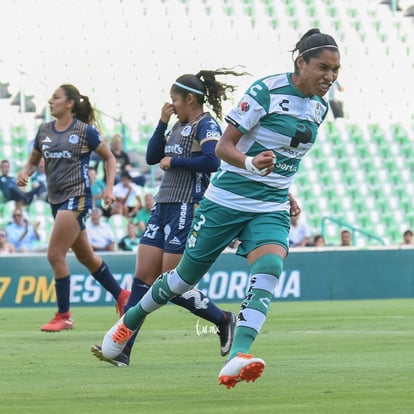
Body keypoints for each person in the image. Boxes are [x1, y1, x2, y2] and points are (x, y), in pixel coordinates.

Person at [98, 28, 341, 386]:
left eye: (336, 70)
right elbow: (224, 148)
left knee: (271, 265)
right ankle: (129, 321)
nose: (330, 77)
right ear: (300, 62)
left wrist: (284, 189)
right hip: (225, 201)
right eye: (323, 67)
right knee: (183, 280)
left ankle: (240, 354)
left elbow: (288, 155)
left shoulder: (319, 108)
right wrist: (251, 164)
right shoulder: (265, 92)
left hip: (269, 204)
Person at [91, 68, 248, 367]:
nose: (171, 104)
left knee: (171, 284)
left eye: (174, 99)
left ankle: (223, 319)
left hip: (187, 205)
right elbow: (152, 156)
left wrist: (175, 160)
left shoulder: (205, 125)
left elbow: (213, 161)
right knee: (143, 281)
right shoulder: (177, 125)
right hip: (162, 204)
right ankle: (123, 349)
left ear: (189, 98)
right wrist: (162, 122)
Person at [16, 83, 130, 332]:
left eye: (55, 98)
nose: (50, 101)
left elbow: (110, 157)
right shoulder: (44, 131)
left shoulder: (84, 131)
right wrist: (25, 173)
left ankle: (64, 315)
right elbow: (33, 160)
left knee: (54, 255)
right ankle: (122, 295)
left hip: (77, 199)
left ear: (69, 103)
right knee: (86, 257)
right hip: (56, 201)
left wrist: (109, 188)